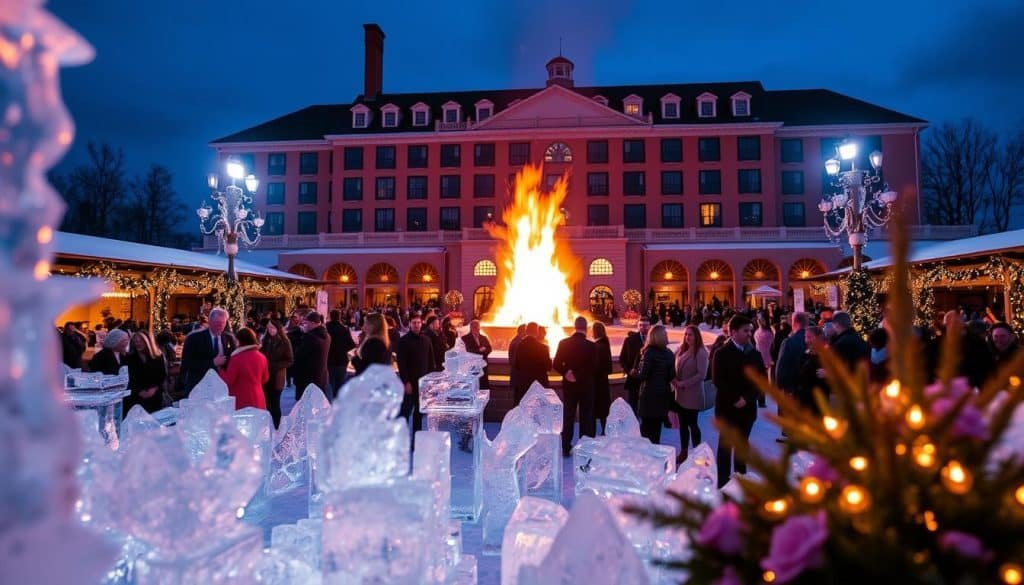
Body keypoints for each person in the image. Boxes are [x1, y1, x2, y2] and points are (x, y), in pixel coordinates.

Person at [711, 315, 766, 488]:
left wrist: (747, 398)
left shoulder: (755, 354)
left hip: (747, 410)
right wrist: (736, 398)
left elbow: (761, 380)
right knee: (725, 447)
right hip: (727, 408)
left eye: (750, 330)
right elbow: (718, 380)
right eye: (746, 331)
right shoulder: (721, 353)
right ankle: (723, 483)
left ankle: (742, 482)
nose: (750, 334)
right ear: (733, 332)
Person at [552, 316, 597, 456]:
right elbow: (594, 367)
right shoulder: (591, 346)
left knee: (568, 415)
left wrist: (567, 372)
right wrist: (579, 375)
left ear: (574, 326)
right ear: (586, 328)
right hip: (586, 386)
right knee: (586, 416)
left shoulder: (564, 343)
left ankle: (565, 446)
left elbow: (556, 364)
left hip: (569, 386)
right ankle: (584, 448)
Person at [671, 325, 708, 463]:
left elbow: (701, 375)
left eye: (690, 335)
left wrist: (683, 383)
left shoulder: (701, 352)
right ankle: (684, 451)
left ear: (696, 336)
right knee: (683, 424)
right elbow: (674, 364)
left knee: (692, 424)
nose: (687, 337)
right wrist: (673, 378)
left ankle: (697, 452)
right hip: (680, 395)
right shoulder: (681, 349)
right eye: (686, 334)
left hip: (692, 395)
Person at [179, 308, 237, 396]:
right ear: (209, 321)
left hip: (220, 387)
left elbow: (232, 361)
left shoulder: (229, 338)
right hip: (198, 386)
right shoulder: (194, 338)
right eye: (217, 323)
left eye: (223, 323)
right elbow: (187, 364)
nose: (220, 326)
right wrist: (212, 363)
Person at [636, 324, 676, 445]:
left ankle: (645, 459)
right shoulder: (669, 353)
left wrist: (636, 371)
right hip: (662, 395)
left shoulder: (648, 353)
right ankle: (655, 457)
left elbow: (643, 374)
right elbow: (671, 376)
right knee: (656, 431)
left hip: (648, 396)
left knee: (646, 430)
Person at [396, 313, 434, 436]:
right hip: (409, 383)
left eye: (418, 322)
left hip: (423, 383)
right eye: (414, 323)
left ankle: (417, 439)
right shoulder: (403, 341)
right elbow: (401, 364)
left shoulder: (427, 340)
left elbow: (430, 362)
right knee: (405, 412)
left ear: (422, 324)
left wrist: (429, 382)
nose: (416, 325)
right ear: (409, 324)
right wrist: (406, 382)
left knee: (419, 413)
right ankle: (402, 437)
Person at [219, 327, 268, 410]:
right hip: (258, 396)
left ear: (240, 341)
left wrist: (220, 370)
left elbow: (229, 380)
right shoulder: (262, 356)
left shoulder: (236, 358)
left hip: (241, 398)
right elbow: (265, 378)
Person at [123, 331, 167, 414]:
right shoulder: (129, 357)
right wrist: (139, 392)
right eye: (136, 341)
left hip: (155, 394)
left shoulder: (157, 356)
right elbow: (128, 378)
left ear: (147, 341)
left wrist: (154, 388)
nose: (138, 343)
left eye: (141, 341)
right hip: (135, 396)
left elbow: (162, 375)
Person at [260, 319, 293, 427]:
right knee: (266, 403)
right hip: (265, 376)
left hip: (277, 377)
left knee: (275, 403)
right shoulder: (265, 340)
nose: (270, 330)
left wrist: (274, 366)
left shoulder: (284, 341)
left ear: (278, 328)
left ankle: (277, 426)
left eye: (272, 328)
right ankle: (268, 426)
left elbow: (289, 360)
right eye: (268, 328)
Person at [293, 311, 330, 401]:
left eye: (306, 323)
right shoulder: (326, 335)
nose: (304, 325)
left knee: (305, 406)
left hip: (308, 379)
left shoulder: (310, 338)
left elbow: (299, 355)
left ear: (313, 323)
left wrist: (304, 335)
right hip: (321, 377)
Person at [513, 322, 551, 405]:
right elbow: (549, 367)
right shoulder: (544, 348)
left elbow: (516, 365)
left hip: (524, 384)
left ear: (526, 331)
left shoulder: (519, 346)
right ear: (537, 332)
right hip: (539, 385)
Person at [619, 317, 650, 413]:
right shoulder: (629, 340)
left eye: (645, 325)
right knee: (633, 406)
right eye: (640, 325)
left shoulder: (654, 339)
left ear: (649, 326)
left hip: (649, 380)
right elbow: (622, 358)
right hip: (634, 380)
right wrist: (629, 371)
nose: (642, 327)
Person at [797, 326, 829, 413]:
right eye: (805, 337)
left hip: (820, 403)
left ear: (819, 338)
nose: (806, 340)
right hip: (805, 401)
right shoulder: (804, 354)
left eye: (809, 337)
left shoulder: (827, 355)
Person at [326, 309, 357, 396]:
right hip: (342, 360)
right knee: (340, 384)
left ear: (330, 316)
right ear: (339, 317)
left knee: (329, 384)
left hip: (329, 360)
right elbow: (351, 345)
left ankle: (330, 404)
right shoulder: (344, 329)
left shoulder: (326, 328)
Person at [591, 321, 613, 435]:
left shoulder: (597, 346)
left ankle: (596, 433)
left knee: (595, 410)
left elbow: (595, 366)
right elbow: (609, 367)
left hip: (596, 383)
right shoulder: (605, 344)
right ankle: (605, 431)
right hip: (603, 382)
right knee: (604, 410)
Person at [461, 320, 493, 389]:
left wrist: (484, 350)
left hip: (483, 364)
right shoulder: (465, 338)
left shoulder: (483, 337)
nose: (477, 329)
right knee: (474, 384)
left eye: (478, 327)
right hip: (472, 365)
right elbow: (466, 351)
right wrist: (478, 351)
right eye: (475, 327)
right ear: (471, 328)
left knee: (483, 383)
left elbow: (489, 348)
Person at [753, 315, 774, 407]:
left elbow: (767, 347)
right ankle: (760, 399)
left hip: (764, 358)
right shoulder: (757, 331)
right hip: (758, 357)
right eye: (758, 320)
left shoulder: (768, 333)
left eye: (761, 320)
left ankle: (761, 400)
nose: (759, 321)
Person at [507, 324, 527, 399]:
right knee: (519, 398)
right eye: (526, 331)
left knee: (518, 397)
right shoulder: (517, 343)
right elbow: (515, 361)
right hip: (519, 376)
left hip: (517, 376)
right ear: (522, 331)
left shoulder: (516, 341)